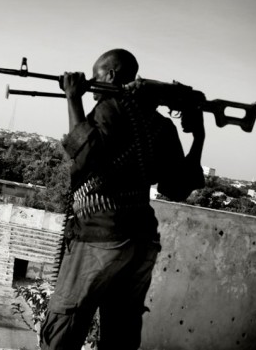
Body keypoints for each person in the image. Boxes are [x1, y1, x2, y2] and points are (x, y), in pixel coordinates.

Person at [39, 49, 205, 350]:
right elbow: (177, 187)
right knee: (121, 336)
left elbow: (85, 154)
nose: (92, 84)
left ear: (112, 75)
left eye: (96, 76)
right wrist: (199, 137)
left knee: (62, 328)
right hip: (141, 242)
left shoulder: (110, 109)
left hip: (101, 235)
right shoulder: (161, 125)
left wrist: (72, 98)